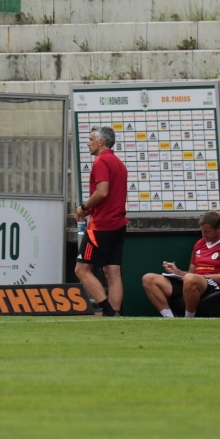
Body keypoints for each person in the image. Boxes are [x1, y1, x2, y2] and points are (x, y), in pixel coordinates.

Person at [142, 210, 220, 317]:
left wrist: (199, 277)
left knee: (191, 279)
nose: (203, 235)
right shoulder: (199, 244)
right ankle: (169, 318)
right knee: (148, 279)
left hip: (214, 286)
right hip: (193, 282)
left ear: (219, 228)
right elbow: (191, 273)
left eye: (207, 232)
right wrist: (177, 272)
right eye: (202, 231)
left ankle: (189, 318)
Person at [73, 125, 129, 315]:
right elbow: (111, 196)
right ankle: (115, 314)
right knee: (113, 272)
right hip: (119, 223)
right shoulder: (119, 163)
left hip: (102, 226)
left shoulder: (101, 161)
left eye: (90, 139)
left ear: (101, 142)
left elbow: (102, 192)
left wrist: (83, 207)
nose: (88, 143)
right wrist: (89, 209)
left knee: (81, 270)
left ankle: (108, 311)